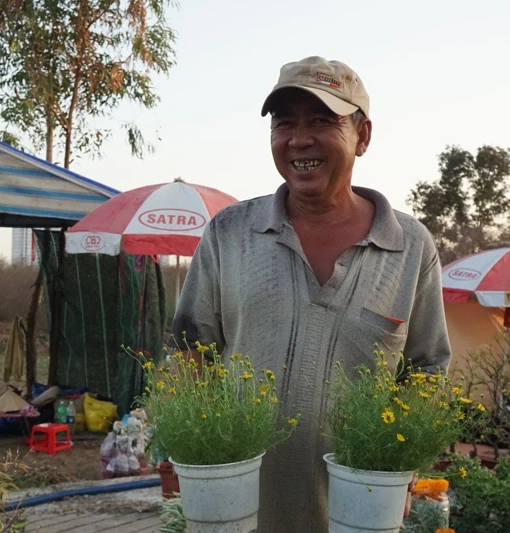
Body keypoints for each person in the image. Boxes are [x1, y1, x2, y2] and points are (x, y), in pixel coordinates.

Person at [172, 55, 452, 533]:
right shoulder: (230, 233)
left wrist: (400, 465)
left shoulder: (409, 246)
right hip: (241, 514)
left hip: (358, 514)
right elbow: (189, 352)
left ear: (362, 136)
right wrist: (193, 451)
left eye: (322, 121)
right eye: (284, 123)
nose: (299, 139)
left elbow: (425, 369)